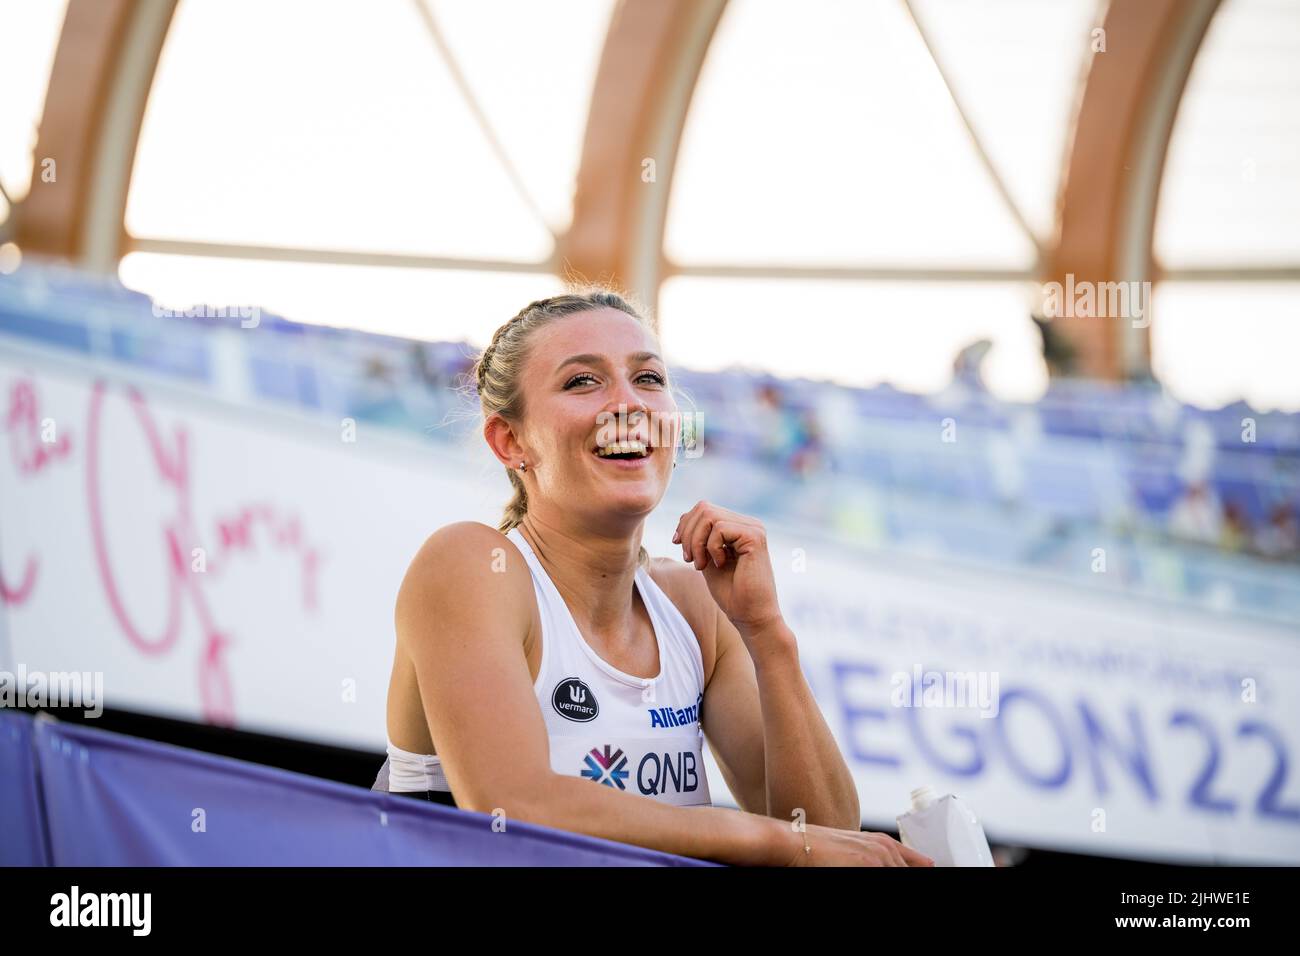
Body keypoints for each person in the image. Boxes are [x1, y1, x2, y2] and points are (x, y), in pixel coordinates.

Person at [374, 288, 932, 867]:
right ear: (511, 441)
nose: (628, 405)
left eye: (648, 378)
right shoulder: (472, 564)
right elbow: (513, 806)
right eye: (582, 382)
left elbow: (824, 835)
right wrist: (771, 840)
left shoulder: (693, 604)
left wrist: (766, 634)